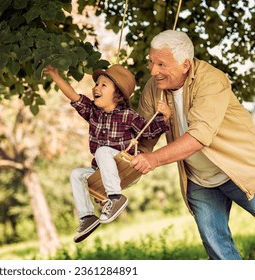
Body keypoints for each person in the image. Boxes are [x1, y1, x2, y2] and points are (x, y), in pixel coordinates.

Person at [130, 29, 255, 259]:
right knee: (218, 250)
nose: (153, 70)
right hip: (199, 179)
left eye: (161, 64)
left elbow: (199, 136)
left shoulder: (211, 80)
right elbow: (144, 141)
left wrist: (155, 159)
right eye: (151, 62)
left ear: (185, 65)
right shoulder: (153, 88)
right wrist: (114, 178)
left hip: (241, 168)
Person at [44, 64, 171, 242]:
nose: (96, 87)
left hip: (124, 166)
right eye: (97, 84)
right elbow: (74, 97)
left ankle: (115, 198)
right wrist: (56, 76)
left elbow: (148, 132)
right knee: (76, 174)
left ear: (117, 95)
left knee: (102, 151)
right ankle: (87, 217)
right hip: (103, 172)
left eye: (103, 85)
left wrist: (164, 116)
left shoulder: (127, 115)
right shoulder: (93, 113)